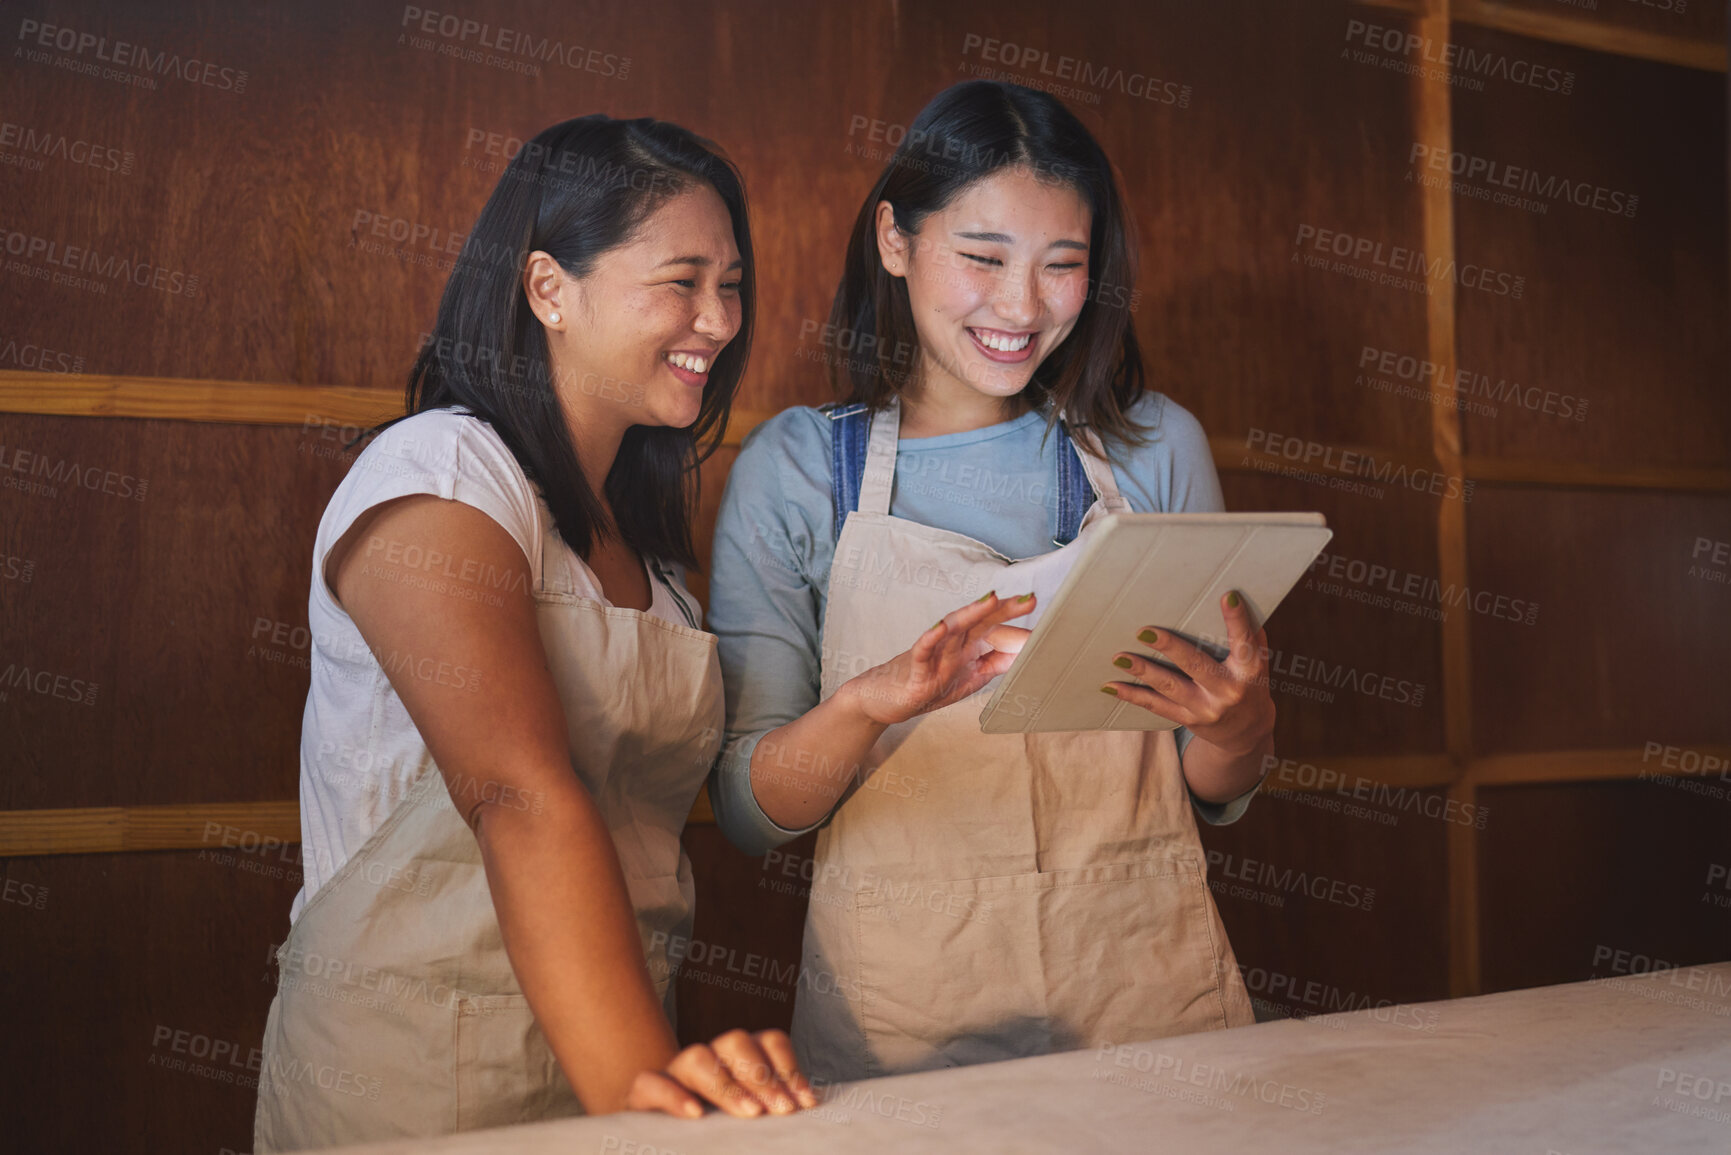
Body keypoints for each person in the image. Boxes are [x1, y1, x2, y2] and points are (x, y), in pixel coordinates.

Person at [254, 115, 814, 1152]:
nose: (721, 319)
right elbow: (516, 794)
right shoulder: (442, 473)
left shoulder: (643, 551)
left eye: (731, 284)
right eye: (682, 280)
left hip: (612, 1044)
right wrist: (651, 1098)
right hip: (414, 1077)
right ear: (549, 288)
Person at [706, 80, 1271, 1084]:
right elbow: (754, 813)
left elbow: (1216, 784)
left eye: (1063, 266)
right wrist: (872, 705)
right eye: (981, 258)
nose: (1021, 307)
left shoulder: (1156, 453)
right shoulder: (797, 471)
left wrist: (1237, 726)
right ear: (894, 238)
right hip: (906, 1024)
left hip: (1148, 1002)